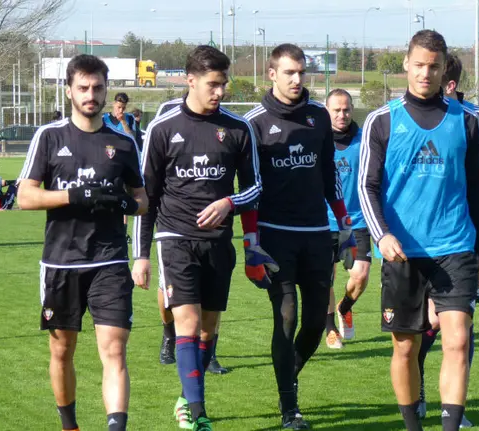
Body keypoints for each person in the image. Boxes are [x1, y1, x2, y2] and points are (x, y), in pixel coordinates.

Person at [358, 30, 479, 431]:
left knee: (457, 340)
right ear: (406, 64)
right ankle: (412, 426)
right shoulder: (382, 121)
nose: (425, 73)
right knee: (405, 347)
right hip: (402, 252)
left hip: (455, 248)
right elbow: (367, 186)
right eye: (419, 64)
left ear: (443, 68)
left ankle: (450, 426)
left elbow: (477, 192)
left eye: (434, 66)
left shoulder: (466, 122)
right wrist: (381, 234)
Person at [131, 45, 263, 431]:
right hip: (174, 239)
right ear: (190, 81)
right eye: (213, 84)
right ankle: (199, 413)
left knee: (208, 330)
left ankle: (187, 397)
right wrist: (140, 255)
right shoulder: (162, 128)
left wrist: (229, 203)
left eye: (223, 84)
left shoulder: (239, 129)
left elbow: (256, 188)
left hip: (219, 242)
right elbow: (145, 199)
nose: (219, 92)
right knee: (186, 323)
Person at [17, 54, 148, 431]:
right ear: (69, 90)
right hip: (61, 263)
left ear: (107, 91)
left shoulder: (122, 142)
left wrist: (125, 202)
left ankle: (115, 427)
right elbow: (25, 196)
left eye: (98, 88)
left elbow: (142, 201)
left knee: (115, 350)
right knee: (62, 350)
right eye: (83, 88)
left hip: (109, 261)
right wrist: (73, 197)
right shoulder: (50, 136)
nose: (91, 95)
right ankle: (69, 426)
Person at [244, 43, 357, 430]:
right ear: (272, 74)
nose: (297, 79)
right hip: (276, 237)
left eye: (301, 72)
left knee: (314, 324)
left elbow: (330, 174)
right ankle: (290, 408)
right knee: (286, 317)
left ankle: (287, 376)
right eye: (289, 72)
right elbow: (250, 188)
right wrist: (251, 241)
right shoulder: (254, 123)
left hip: (316, 234)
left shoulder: (318, 118)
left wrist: (343, 225)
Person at [415, 53, 479, 427]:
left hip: (461, 240)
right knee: (424, 323)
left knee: (462, 324)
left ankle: (453, 409)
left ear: (448, 84)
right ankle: (417, 390)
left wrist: (478, 229)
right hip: (418, 243)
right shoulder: (411, 118)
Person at [151, 96, 230, 376]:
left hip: (214, 237)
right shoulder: (166, 113)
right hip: (173, 233)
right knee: (171, 298)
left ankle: (210, 355)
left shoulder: (226, 123)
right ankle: (168, 334)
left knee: (209, 307)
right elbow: (150, 185)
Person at [322, 89, 372, 350]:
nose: (342, 115)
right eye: (336, 110)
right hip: (324, 220)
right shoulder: (318, 140)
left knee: (360, 275)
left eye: (346, 109)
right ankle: (330, 329)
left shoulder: (365, 140)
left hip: (358, 220)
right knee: (325, 278)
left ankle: (345, 306)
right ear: (327, 110)